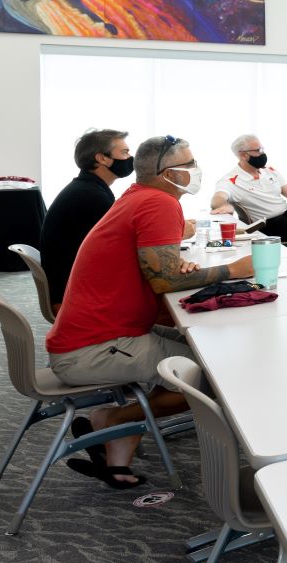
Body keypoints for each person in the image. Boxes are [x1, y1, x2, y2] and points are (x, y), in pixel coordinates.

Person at [45, 134, 251, 488]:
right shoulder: (158, 203)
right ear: (167, 172)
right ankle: (110, 420)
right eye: (189, 163)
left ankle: (117, 455)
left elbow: (158, 270)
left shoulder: (138, 196)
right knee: (214, 376)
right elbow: (164, 281)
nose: (195, 169)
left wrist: (174, 267)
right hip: (93, 348)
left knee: (204, 349)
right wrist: (233, 270)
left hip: (103, 333)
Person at [40, 127, 130, 310]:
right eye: (124, 152)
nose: (130, 158)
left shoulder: (88, 188)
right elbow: (124, 246)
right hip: (75, 298)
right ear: (102, 158)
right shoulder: (91, 196)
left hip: (73, 286)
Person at [209, 134, 287, 243]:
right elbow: (218, 198)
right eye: (258, 150)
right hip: (269, 224)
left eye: (262, 149)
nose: (263, 153)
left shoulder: (268, 170)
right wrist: (224, 206)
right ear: (243, 155)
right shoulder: (231, 180)